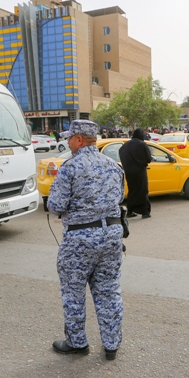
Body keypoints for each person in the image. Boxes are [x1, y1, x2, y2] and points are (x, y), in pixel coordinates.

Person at [46, 120, 125, 360]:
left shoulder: (70, 167)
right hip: (112, 235)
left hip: (80, 239)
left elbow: (56, 205)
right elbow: (120, 197)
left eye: (69, 138)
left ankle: (77, 343)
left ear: (79, 140)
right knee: (109, 290)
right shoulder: (114, 166)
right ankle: (111, 345)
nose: (67, 141)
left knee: (73, 292)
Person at [119, 128, 152, 219]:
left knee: (132, 190)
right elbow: (149, 158)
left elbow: (121, 155)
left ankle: (130, 210)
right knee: (142, 191)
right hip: (140, 171)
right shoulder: (142, 144)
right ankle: (145, 211)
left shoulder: (125, 146)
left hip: (128, 171)